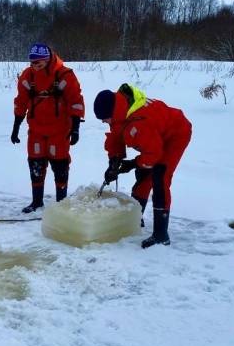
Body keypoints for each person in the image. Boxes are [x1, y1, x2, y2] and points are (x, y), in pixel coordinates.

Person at [93, 84, 192, 248]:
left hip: (176, 134)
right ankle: (134, 220)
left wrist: (132, 164)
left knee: (160, 175)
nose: (104, 121)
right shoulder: (120, 111)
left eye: (104, 118)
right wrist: (114, 161)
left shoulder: (139, 122)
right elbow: (116, 136)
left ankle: (161, 235)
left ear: (112, 112)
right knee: (143, 175)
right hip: (154, 138)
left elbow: (153, 156)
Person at [11, 43, 85, 213]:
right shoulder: (28, 76)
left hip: (59, 132)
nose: (34, 67)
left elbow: (75, 100)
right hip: (36, 130)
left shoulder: (64, 75)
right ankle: (37, 202)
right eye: (32, 63)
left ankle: (61, 205)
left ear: (47, 60)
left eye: (38, 63)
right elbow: (21, 101)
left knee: (60, 166)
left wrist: (75, 128)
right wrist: (16, 127)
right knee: (35, 165)